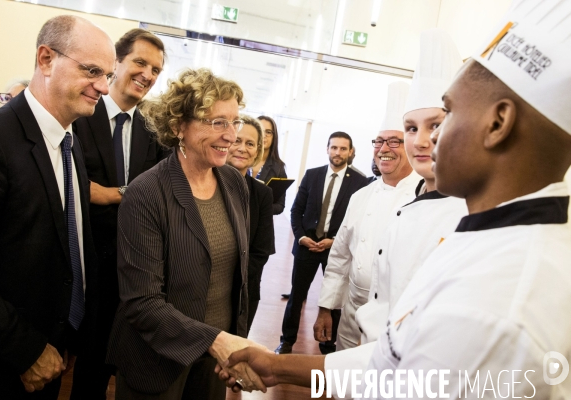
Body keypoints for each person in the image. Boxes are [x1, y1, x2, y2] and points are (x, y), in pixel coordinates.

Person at [220, 2, 571, 397]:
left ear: (497, 123)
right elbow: (390, 361)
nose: (427, 140)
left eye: (447, 115)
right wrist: (278, 367)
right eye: (411, 128)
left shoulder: (498, 305)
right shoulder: (489, 237)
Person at [0, 15, 114, 399]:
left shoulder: (70, 142)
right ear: (47, 59)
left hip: (53, 350)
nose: (103, 86)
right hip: (0, 362)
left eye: (108, 75)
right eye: (93, 70)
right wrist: (26, 350)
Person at [106, 68, 266, 399]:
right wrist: (217, 341)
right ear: (180, 126)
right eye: (216, 122)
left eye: (234, 121)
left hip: (212, 362)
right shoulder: (147, 193)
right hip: (157, 361)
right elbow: (142, 302)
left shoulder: (233, 182)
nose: (231, 135)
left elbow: (238, 277)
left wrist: (230, 341)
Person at [353, 28, 468, 347]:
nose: (420, 141)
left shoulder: (467, 216)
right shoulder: (412, 206)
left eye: (436, 125)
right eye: (411, 128)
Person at [71, 28, 168, 399]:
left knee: (116, 361)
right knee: (84, 365)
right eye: (140, 62)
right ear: (117, 62)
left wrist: (111, 194)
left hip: (131, 267)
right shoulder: (81, 113)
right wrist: (124, 194)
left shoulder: (153, 130)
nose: (148, 74)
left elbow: (154, 194)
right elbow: (77, 192)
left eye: (156, 69)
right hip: (82, 261)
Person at [314, 81, 419, 351]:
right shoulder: (361, 197)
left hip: (398, 323)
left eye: (394, 141)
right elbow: (339, 258)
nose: (385, 148)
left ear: (410, 145)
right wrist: (326, 308)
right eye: (379, 141)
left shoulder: (424, 196)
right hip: (352, 315)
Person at [275, 132, 369, 355]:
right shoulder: (312, 175)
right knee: (296, 297)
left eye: (343, 148)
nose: (338, 152)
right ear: (327, 149)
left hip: (336, 249)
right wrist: (301, 237)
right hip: (307, 246)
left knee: (334, 299)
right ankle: (286, 341)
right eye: (334, 147)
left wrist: (334, 241)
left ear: (350, 152)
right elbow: (296, 210)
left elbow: (358, 219)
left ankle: (328, 344)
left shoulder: (359, 182)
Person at [226, 115, 275, 333]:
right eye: (237, 141)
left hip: (242, 293)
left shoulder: (262, 194)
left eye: (250, 144)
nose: (242, 149)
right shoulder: (202, 184)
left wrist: (232, 279)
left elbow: (261, 250)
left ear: (258, 151)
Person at [251, 115, 287, 214]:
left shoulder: (279, 168)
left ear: (274, 136)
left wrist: (260, 208)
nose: (264, 135)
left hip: (260, 225)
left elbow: (280, 206)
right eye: (260, 130)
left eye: (268, 132)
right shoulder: (241, 159)